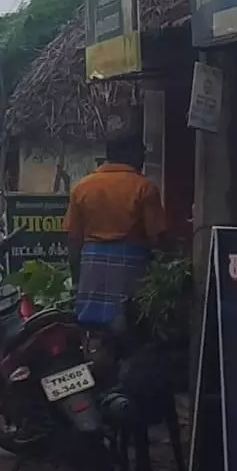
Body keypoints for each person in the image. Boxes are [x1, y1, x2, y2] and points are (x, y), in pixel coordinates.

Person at [65, 129, 166, 331]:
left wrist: (77, 279)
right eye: (141, 153)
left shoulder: (82, 187)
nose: (143, 158)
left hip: (92, 270)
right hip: (132, 269)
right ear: (129, 154)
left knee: (92, 328)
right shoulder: (144, 188)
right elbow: (157, 239)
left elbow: (73, 239)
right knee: (131, 325)